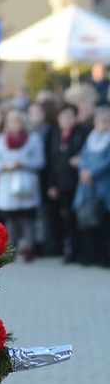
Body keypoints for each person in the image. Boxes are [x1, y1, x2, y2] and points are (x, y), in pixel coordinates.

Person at [0, 109, 45, 262]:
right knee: (11, 219)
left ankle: (29, 248)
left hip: (26, 184)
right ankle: (11, 249)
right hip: (7, 185)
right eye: (12, 121)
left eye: (18, 121)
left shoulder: (33, 139)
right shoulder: (1, 140)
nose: (16, 124)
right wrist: (4, 165)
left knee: (27, 217)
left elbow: (40, 161)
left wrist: (23, 162)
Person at [46, 105, 89, 262]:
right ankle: (68, 250)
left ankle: (82, 251)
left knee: (79, 218)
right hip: (61, 184)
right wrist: (52, 184)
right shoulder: (55, 134)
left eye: (69, 117)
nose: (66, 120)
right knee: (66, 220)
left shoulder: (82, 133)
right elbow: (51, 161)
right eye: (63, 117)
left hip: (77, 183)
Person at [72, 107, 110, 266]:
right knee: (88, 221)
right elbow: (83, 156)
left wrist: (92, 173)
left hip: (103, 186)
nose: (104, 124)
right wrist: (83, 171)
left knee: (104, 222)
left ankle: (104, 257)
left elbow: (107, 162)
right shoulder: (92, 138)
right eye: (101, 121)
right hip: (87, 187)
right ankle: (89, 254)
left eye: (107, 121)